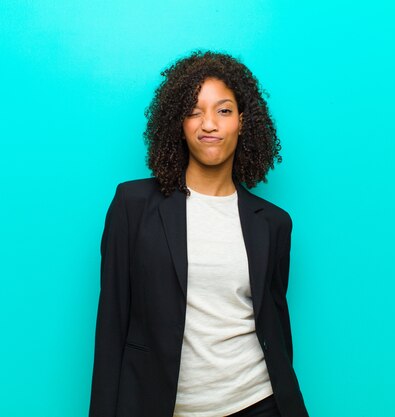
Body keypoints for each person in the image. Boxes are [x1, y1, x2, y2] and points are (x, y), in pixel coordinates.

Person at [89, 50, 309, 417]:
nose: (209, 124)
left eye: (223, 110)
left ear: (243, 121)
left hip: (259, 401)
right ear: (179, 123)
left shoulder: (272, 223)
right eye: (194, 111)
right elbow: (111, 325)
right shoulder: (134, 205)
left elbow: (276, 328)